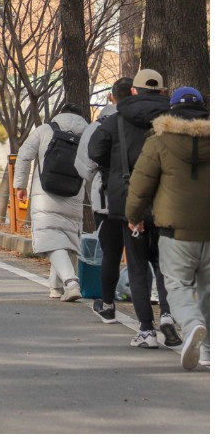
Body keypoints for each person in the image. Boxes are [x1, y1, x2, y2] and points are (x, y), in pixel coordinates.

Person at [89, 69, 178, 349]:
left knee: (137, 266)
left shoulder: (115, 121)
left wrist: (116, 166)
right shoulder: (174, 120)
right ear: (163, 91)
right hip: (167, 202)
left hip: (130, 202)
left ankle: (146, 330)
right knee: (165, 266)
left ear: (135, 91)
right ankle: (167, 315)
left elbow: (95, 152)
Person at [127, 86, 209, 370]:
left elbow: (140, 185)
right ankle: (209, 350)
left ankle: (192, 324)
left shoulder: (159, 141)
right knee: (210, 288)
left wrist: (133, 215)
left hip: (175, 233)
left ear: (172, 108)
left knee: (177, 286)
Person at [13, 104, 90, 302]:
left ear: (60, 114)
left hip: (45, 194)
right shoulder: (89, 133)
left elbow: (24, 155)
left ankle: (70, 282)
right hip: (74, 192)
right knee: (68, 239)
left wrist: (20, 185)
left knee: (51, 239)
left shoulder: (45, 129)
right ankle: (56, 287)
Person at [75, 78, 133, 324]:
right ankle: (159, 316)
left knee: (111, 252)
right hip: (140, 197)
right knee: (139, 255)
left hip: (106, 198)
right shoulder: (141, 123)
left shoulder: (97, 125)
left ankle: (107, 305)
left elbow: (83, 165)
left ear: (111, 97)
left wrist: (98, 177)